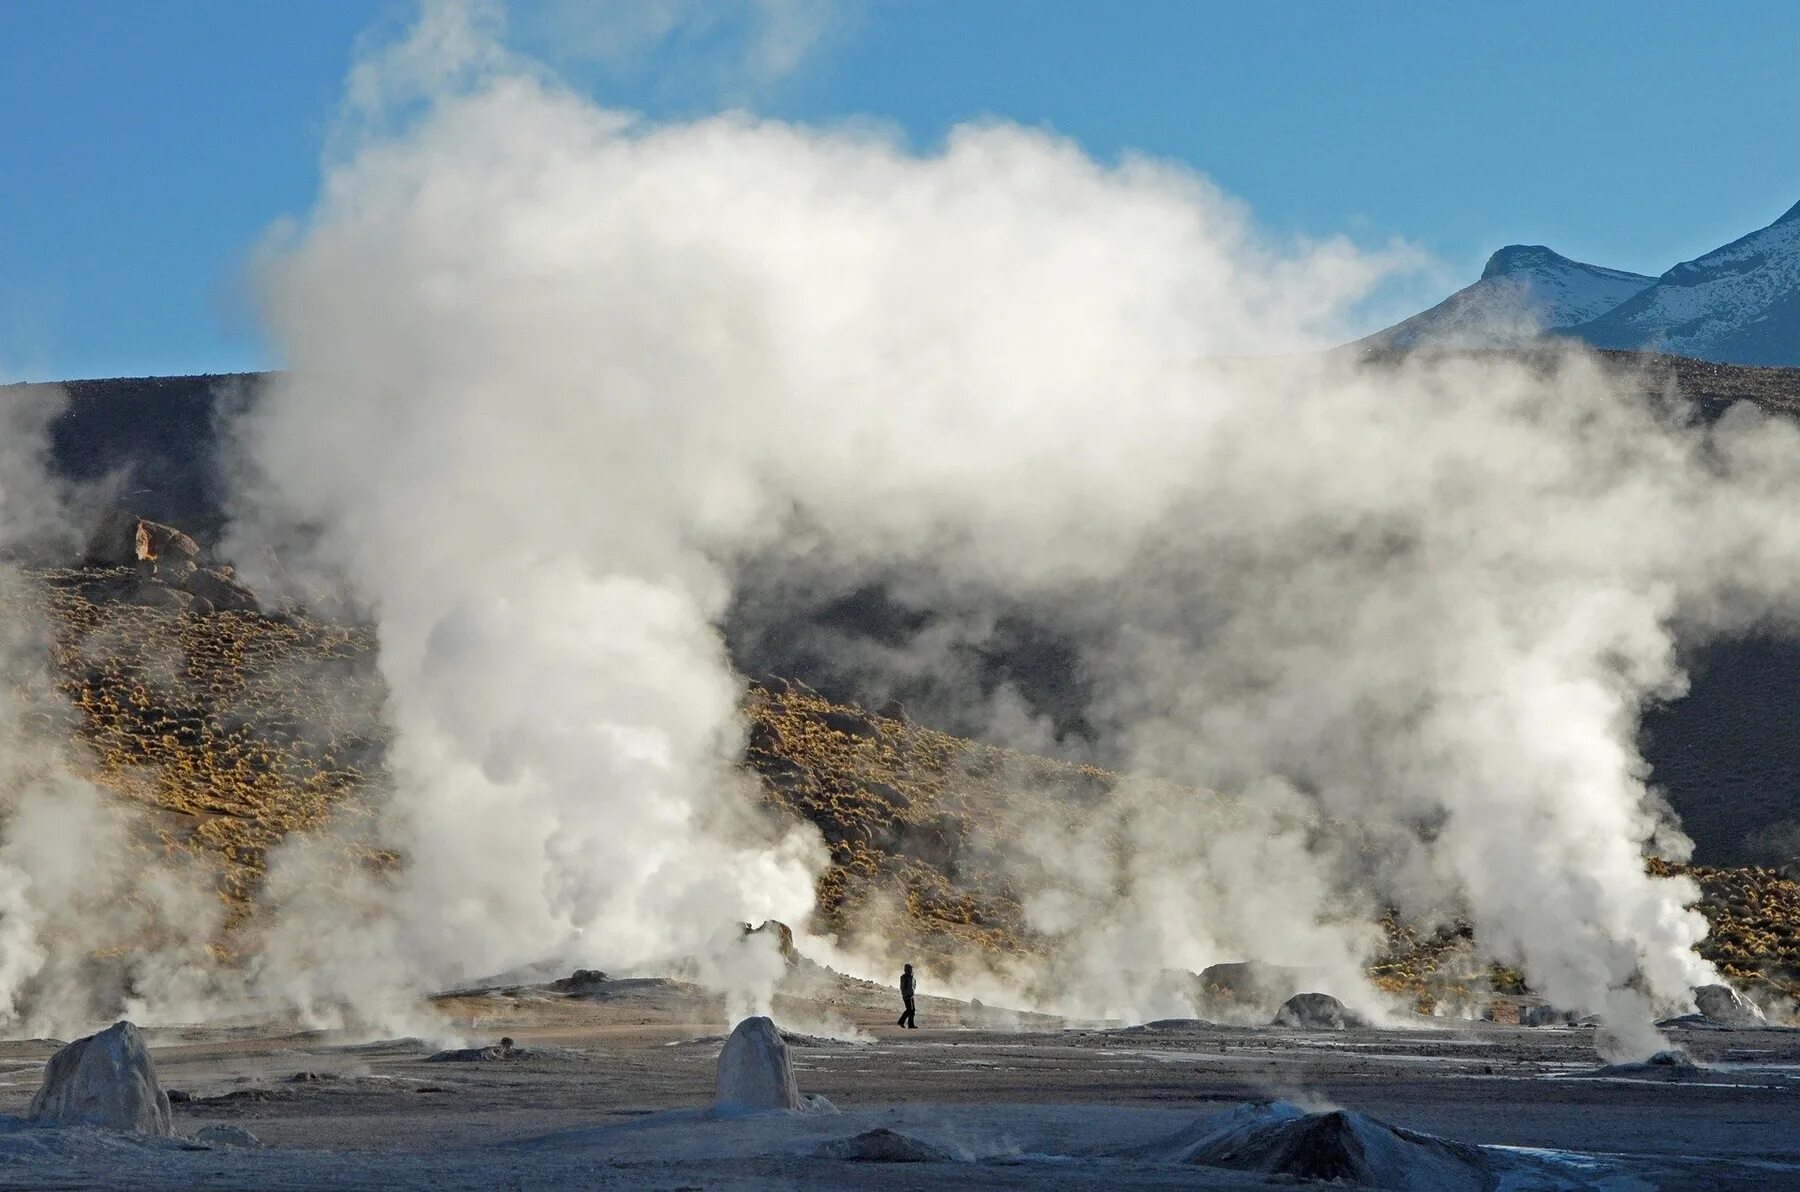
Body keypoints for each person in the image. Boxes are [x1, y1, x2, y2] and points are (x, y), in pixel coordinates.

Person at [896, 963, 917, 1029]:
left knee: (912, 1010)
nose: (911, 970)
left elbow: (913, 986)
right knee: (909, 1010)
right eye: (910, 969)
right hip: (907, 996)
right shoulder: (904, 977)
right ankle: (901, 1022)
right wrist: (906, 995)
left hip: (911, 995)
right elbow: (903, 987)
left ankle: (910, 1024)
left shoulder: (910, 977)